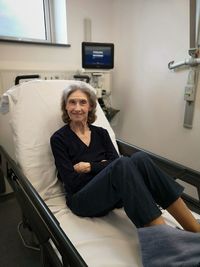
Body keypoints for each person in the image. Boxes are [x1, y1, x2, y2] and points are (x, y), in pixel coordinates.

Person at [50, 83, 200, 232]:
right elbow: (72, 183)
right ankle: (165, 240)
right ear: (66, 107)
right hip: (81, 200)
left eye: (82, 102)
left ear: (90, 106)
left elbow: (114, 163)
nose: (77, 108)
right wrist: (105, 167)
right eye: (72, 102)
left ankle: (194, 228)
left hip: (111, 194)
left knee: (140, 159)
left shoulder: (101, 133)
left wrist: (90, 167)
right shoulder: (59, 139)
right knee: (123, 164)